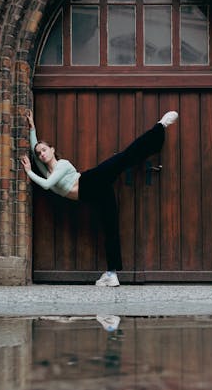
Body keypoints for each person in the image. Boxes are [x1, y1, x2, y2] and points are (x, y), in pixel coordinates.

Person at [21, 108, 178, 286]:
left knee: (124, 157)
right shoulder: (45, 171)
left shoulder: (62, 165)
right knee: (110, 225)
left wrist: (28, 171)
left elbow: (47, 185)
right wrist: (32, 127)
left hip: (92, 180)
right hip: (93, 194)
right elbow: (35, 155)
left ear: (52, 149)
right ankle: (112, 273)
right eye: (40, 153)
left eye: (44, 150)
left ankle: (160, 127)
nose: (41, 154)